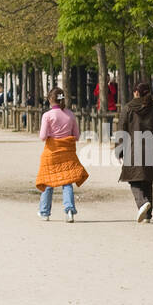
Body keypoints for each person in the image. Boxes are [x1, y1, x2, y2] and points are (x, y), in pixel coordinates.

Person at [117, 81, 153, 223]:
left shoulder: (128, 108)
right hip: (151, 149)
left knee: (133, 179)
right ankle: (148, 215)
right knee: (147, 180)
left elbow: (121, 130)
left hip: (132, 148)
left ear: (136, 92)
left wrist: (119, 150)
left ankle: (142, 203)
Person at [36, 87, 88, 222]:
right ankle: (69, 210)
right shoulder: (70, 114)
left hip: (52, 152)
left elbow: (42, 136)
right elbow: (76, 136)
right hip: (67, 152)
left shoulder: (47, 116)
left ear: (49, 99)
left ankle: (45, 212)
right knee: (67, 182)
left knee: (48, 181)